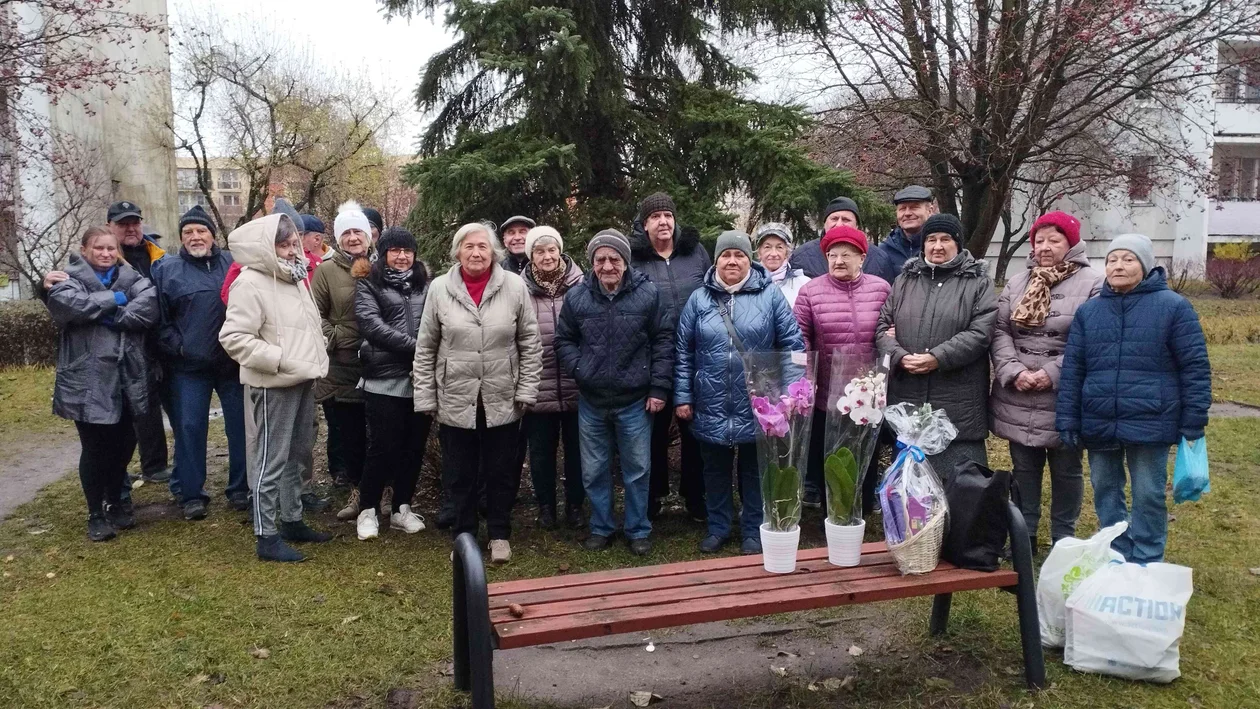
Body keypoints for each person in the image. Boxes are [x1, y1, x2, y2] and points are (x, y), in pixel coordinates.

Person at [1057, 234, 1210, 564]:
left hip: (1150, 419)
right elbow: (1073, 369)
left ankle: (1147, 558)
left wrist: (1194, 419)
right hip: (1100, 419)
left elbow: (1195, 367)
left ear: (1145, 265)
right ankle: (1115, 555)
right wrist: (1068, 418)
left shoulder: (1173, 308)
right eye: (1112, 260)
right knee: (1105, 492)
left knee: (1148, 494)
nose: (1118, 266)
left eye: (1127, 259)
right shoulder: (1090, 312)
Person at [413, 222, 542, 564]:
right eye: (469, 246)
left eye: (483, 247)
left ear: (494, 252)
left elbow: (530, 342)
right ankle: (464, 537)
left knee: (501, 472)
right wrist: (425, 396)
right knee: (460, 474)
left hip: (502, 395)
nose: (476, 253)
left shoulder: (513, 286)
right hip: (455, 395)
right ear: (457, 251)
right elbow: (426, 348)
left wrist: (527, 388)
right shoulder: (439, 288)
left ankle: (499, 534)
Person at [675, 230, 804, 554]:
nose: (732, 261)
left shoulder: (770, 296)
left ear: (750, 260)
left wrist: (789, 394)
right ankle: (718, 527)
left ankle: (751, 529)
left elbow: (793, 346)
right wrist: (683, 396)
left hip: (758, 403)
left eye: (739, 255)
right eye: (726, 256)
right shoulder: (699, 299)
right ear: (716, 260)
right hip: (711, 400)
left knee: (754, 468)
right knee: (714, 469)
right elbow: (683, 352)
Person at [219, 212, 333, 562]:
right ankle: (266, 536)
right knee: (270, 459)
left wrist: (313, 355)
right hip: (274, 383)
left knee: (297, 454)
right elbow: (233, 337)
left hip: (301, 379)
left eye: (292, 243)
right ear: (265, 248)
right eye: (282, 245)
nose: (290, 251)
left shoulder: (295, 278)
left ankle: (291, 518)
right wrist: (279, 359)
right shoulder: (250, 282)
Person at [989, 212, 1103, 552]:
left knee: (1067, 470)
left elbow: (1092, 340)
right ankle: (1025, 536)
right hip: (1019, 391)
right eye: (1040, 240)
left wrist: (1050, 374)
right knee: (1023, 469)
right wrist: (1013, 370)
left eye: (1054, 240)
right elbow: (1000, 330)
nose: (1045, 247)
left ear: (1071, 244)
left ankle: (1063, 539)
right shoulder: (1017, 282)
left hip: (1064, 393)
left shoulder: (1094, 283)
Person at [555, 229, 673, 556]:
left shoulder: (648, 295)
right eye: (600, 259)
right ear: (592, 263)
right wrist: (581, 369)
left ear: (625, 262)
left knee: (637, 469)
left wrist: (659, 387)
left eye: (614, 259)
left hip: (634, 400)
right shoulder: (577, 297)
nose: (607, 266)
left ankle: (637, 530)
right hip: (592, 402)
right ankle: (601, 527)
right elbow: (563, 340)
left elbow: (663, 341)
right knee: (594, 471)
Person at [47, 226, 159, 541]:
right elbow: (70, 307)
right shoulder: (66, 279)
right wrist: (118, 300)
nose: (106, 254)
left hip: (127, 376)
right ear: (85, 250)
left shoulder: (133, 277)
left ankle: (115, 500)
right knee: (95, 448)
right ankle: (96, 512)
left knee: (125, 444)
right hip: (87, 379)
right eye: (99, 248)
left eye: (111, 248)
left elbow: (148, 309)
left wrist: (107, 314)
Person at [877, 213, 997, 473]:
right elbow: (882, 328)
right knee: (910, 482)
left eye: (945, 239)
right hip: (909, 391)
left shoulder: (978, 283)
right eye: (931, 239)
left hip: (957, 398)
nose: (937, 246)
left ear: (958, 244)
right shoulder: (904, 281)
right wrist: (900, 356)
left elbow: (981, 331)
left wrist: (938, 357)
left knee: (959, 485)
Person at [152, 205, 250, 519]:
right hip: (188, 368)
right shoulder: (166, 269)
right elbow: (159, 320)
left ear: (212, 234)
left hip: (231, 364)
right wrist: (178, 348)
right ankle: (191, 493)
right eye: (188, 232)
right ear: (181, 238)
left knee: (241, 428)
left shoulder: (234, 263)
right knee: (189, 428)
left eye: (201, 231)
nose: (196, 237)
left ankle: (241, 489)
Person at [793, 225, 891, 508]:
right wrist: (807, 380)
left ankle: (863, 504)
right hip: (829, 393)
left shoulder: (881, 289)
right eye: (832, 254)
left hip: (870, 390)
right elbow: (800, 341)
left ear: (862, 257)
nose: (838, 261)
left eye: (847, 254)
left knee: (867, 449)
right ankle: (832, 509)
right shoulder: (811, 292)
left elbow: (890, 329)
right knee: (832, 454)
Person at [629, 192, 709, 521]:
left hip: (696, 355)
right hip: (652, 358)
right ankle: (653, 496)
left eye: (668, 216)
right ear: (644, 224)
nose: (663, 221)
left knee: (695, 430)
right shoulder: (634, 259)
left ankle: (695, 497)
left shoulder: (696, 253)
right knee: (653, 432)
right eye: (655, 217)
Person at [352, 227, 432, 540]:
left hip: (420, 378)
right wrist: (419, 346)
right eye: (395, 250)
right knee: (382, 448)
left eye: (407, 250)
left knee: (413, 448)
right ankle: (368, 509)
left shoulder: (426, 284)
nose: (401, 256)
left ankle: (402, 507)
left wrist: (425, 351)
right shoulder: (369, 283)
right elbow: (372, 325)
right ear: (384, 253)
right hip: (384, 378)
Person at [521, 225, 586, 530]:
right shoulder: (519, 288)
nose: (546, 256)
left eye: (551, 250)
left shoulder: (582, 284)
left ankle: (575, 506)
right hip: (538, 384)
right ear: (530, 255)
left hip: (577, 384)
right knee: (541, 453)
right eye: (539, 251)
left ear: (560, 251)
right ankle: (545, 507)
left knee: (578, 452)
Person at [312, 201, 373, 521]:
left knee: (379, 433)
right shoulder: (325, 271)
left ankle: (382, 491)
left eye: (357, 231)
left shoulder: (382, 266)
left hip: (379, 363)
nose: (352, 237)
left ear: (368, 236)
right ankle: (358, 491)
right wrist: (336, 338)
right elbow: (314, 314)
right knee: (350, 435)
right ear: (338, 238)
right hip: (341, 365)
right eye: (346, 232)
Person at [864, 186, 937, 285]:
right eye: (902, 209)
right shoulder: (884, 251)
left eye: (914, 207)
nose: (907, 213)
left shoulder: (940, 248)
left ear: (930, 210)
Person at [789, 197, 862, 279]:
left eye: (846, 220)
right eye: (834, 219)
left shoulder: (875, 258)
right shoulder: (801, 258)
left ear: (857, 226)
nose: (839, 224)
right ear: (825, 224)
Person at [752, 223, 811, 307]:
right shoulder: (748, 283)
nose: (773, 253)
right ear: (759, 252)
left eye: (779, 247)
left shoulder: (803, 284)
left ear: (787, 252)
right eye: (767, 247)